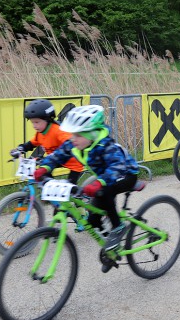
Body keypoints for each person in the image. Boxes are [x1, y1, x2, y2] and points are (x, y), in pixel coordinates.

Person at [34, 105, 140, 253]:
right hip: (103, 178)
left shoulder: (107, 147)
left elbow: (116, 167)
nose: (73, 139)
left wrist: (99, 183)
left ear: (92, 134)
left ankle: (118, 227)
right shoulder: (76, 144)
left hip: (125, 174)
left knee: (105, 192)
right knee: (92, 220)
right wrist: (45, 168)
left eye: (78, 135)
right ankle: (110, 248)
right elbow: (59, 155)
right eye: (72, 135)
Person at [10, 99, 84, 183]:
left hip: (73, 163)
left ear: (47, 119)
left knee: (69, 189)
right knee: (43, 176)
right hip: (55, 160)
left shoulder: (58, 131)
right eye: (32, 122)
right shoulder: (40, 133)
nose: (34, 126)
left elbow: (71, 143)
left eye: (37, 122)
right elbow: (31, 144)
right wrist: (20, 149)